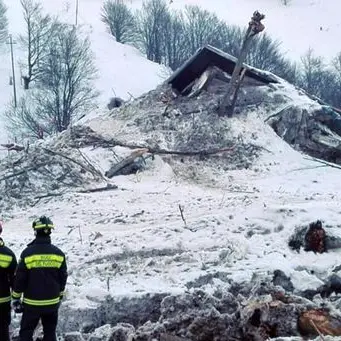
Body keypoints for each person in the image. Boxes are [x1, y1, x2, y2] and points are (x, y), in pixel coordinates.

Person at [12, 216, 68, 341]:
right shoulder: (58, 254)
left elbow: (20, 279)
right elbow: (63, 277)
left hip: (32, 304)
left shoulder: (27, 253)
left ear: (35, 231)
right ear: (50, 232)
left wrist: (15, 298)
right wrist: (59, 295)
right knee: (50, 333)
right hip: (52, 303)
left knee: (26, 333)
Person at [0, 222, 17, 341]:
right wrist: (16, 297)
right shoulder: (8, 254)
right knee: (3, 332)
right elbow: (15, 280)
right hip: (3, 303)